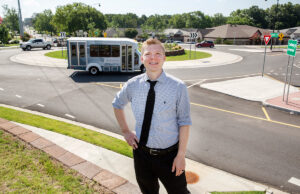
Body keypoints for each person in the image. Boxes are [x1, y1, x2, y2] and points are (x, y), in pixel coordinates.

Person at [112, 38, 191, 194]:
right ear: (142, 58)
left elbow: (185, 122)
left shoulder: (178, 87)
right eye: (148, 54)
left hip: (170, 156)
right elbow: (117, 104)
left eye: (158, 53)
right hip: (142, 155)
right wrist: (126, 131)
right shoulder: (132, 85)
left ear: (164, 58)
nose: (153, 58)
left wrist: (181, 155)